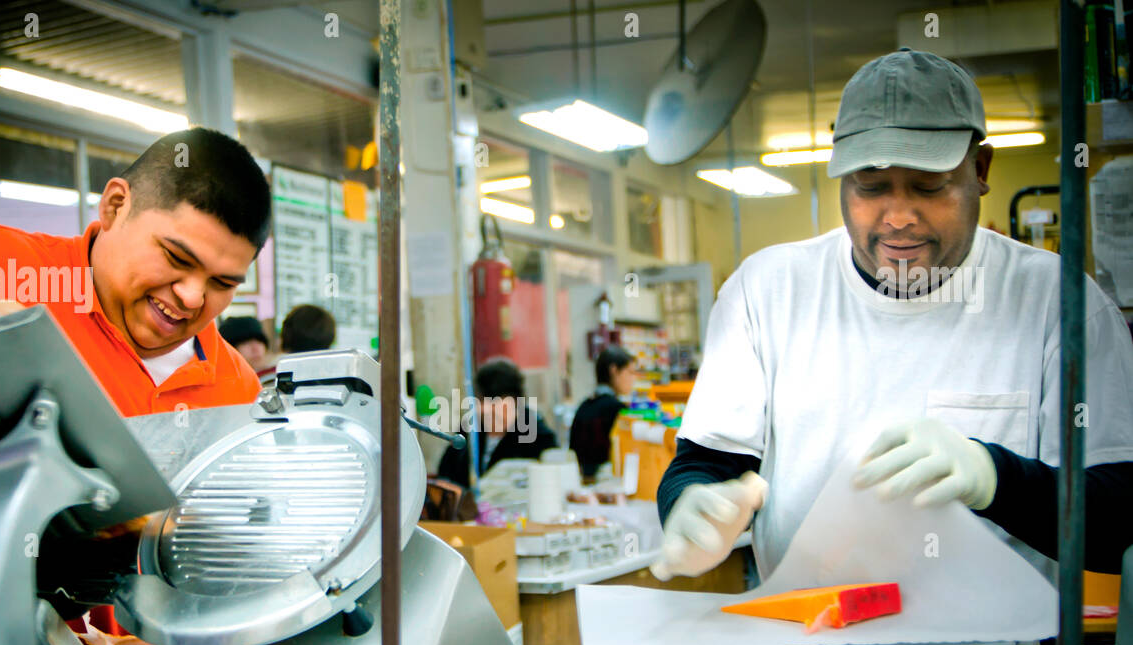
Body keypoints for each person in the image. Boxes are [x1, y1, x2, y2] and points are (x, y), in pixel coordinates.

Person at [653, 48, 1133, 585]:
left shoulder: (1059, 303)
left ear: (980, 170)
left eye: (929, 186)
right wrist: (688, 505)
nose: (899, 217)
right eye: (871, 186)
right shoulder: (765, 292)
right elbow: (707, 463)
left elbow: (1119, 522)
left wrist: (994, 477)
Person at [0, 127, 271, 635]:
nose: (192, 297)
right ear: (114, 207)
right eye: (178, 259)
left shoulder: (235, 392)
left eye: (223, 283)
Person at [437, 357, 558, 489]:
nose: (487, 409)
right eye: (482, 401)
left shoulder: (538, 437)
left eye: (496, 403)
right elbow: (445, 474)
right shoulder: (469, 431)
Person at [569, 345, 637, 481]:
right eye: (630, 372)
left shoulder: (584, 406)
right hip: (608, 482)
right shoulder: (617, 410)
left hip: (581, 481)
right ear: (614, 370)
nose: (633, 379)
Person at [219, 314, 278, 381]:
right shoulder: (225, 383)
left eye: (259, 341)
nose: (255, 348)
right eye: (245, 343)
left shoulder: (278, 377)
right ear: (231, 349)